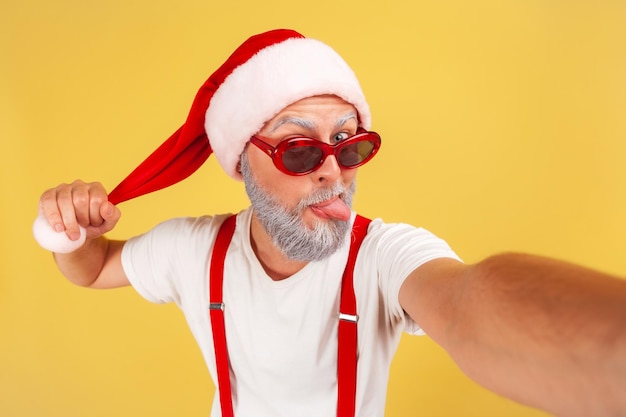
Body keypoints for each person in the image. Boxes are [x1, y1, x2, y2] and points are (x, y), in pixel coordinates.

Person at [35, 29, 626, 417]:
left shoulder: (384, 255)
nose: (332, 173)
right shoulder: (193, 251)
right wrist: (72, 234)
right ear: (242, 164)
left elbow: (471, 304)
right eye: (297, 149)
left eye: (347, 144)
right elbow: (92, 270)